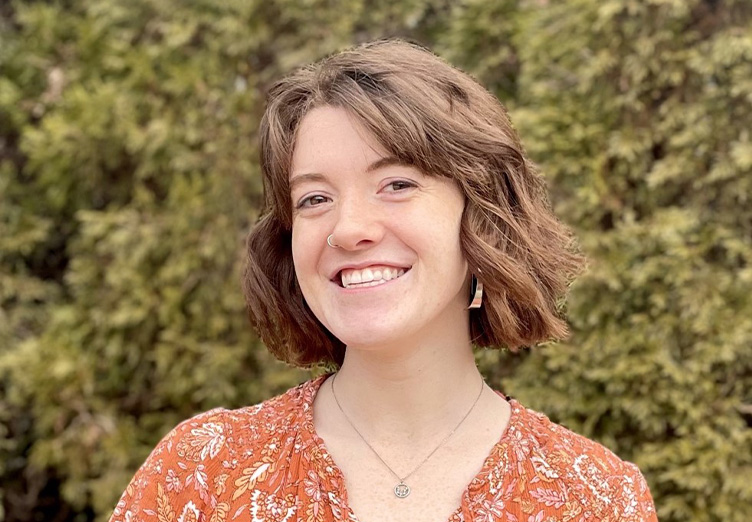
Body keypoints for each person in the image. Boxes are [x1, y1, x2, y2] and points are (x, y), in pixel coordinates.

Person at [110, 39, 657, 522]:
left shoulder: (598, 499)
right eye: (315, 199)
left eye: (396, 184)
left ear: (482, 219)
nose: (348, 230)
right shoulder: (201, 474)